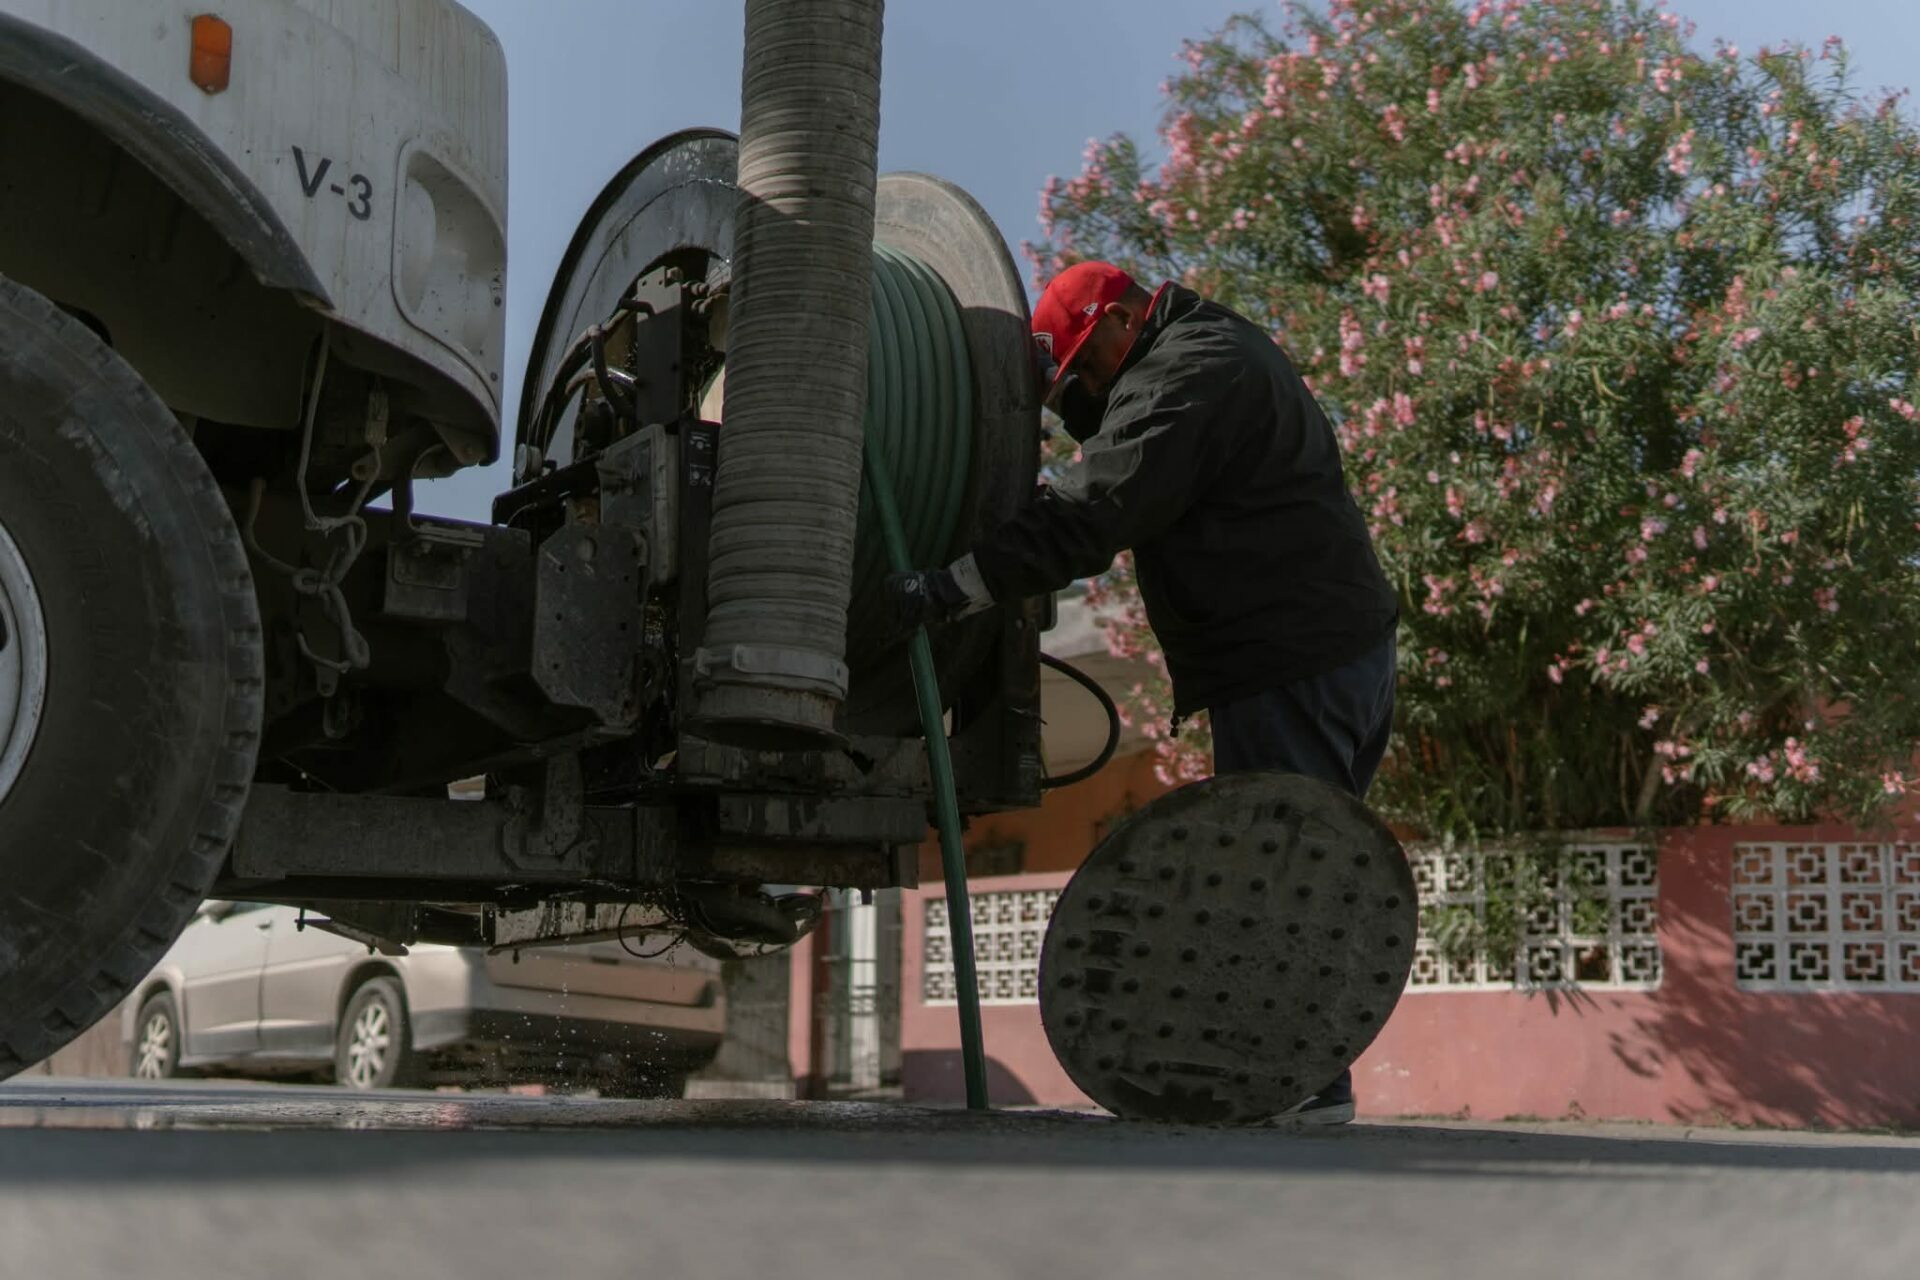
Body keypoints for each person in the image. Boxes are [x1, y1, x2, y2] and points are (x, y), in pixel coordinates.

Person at [884, 261, 1400, 1124]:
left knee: (1279, 867)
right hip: (1326, 649)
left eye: (1089, 366)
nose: (1088, 387)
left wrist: (954, 585)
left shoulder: (1188, 375)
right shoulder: (1210, 347)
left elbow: (1100, 505)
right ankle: (1307, 1088)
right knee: (1301, 861)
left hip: (1290, 657)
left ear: (1126, 317)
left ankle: (1303, 1091)